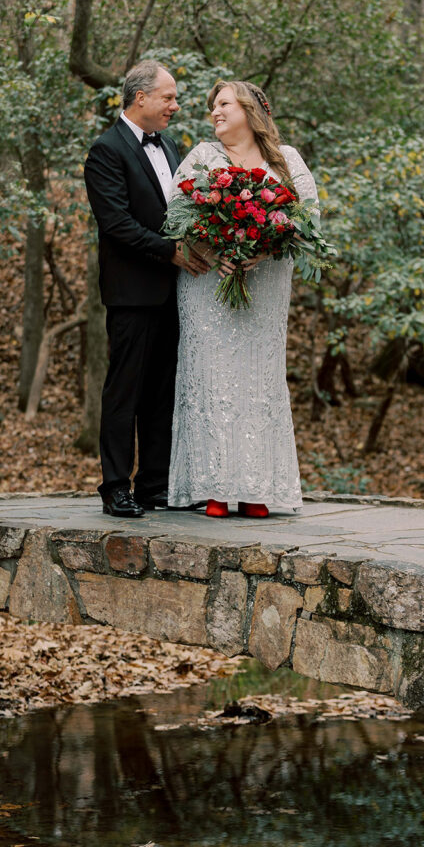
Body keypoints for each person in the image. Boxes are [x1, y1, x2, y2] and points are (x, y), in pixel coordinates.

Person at [167, 80, 319, 518]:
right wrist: (215, 250)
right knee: (211, 375)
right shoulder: (201, 157)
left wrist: (263, 249)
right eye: (213, 106)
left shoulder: (285, 160)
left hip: (266, 283)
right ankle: (213, 487)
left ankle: (255, 488)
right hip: (206, 286)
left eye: (224, 104)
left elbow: (307, 221)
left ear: (250, 110)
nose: (215, 111)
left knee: (258, 377)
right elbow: (175, 215)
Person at [84, 59, 209, 518]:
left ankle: (155, 484)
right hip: (132, 293)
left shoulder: (171, 145)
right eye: (169, 97)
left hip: (174, 292)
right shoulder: (105, 150)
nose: (175, 106)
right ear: (141, 98)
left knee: (162, 392)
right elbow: (116, 223)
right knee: (125, 392)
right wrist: (168, 251)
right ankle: (116, 487)